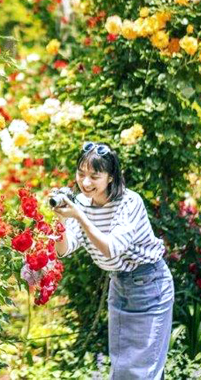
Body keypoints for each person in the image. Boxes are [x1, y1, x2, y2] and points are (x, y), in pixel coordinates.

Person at [52, 141, 174, 380]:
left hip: (149, 285)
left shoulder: (130, 202)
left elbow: (111, 249)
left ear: (110, 177)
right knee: (122, 371)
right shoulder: (83, 204)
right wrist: (61, 222)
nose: (85, 183)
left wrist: (80, 216)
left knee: (142, 372)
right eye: (81, 174)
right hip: (119, 285)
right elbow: (64, 250)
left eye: (94, 176)